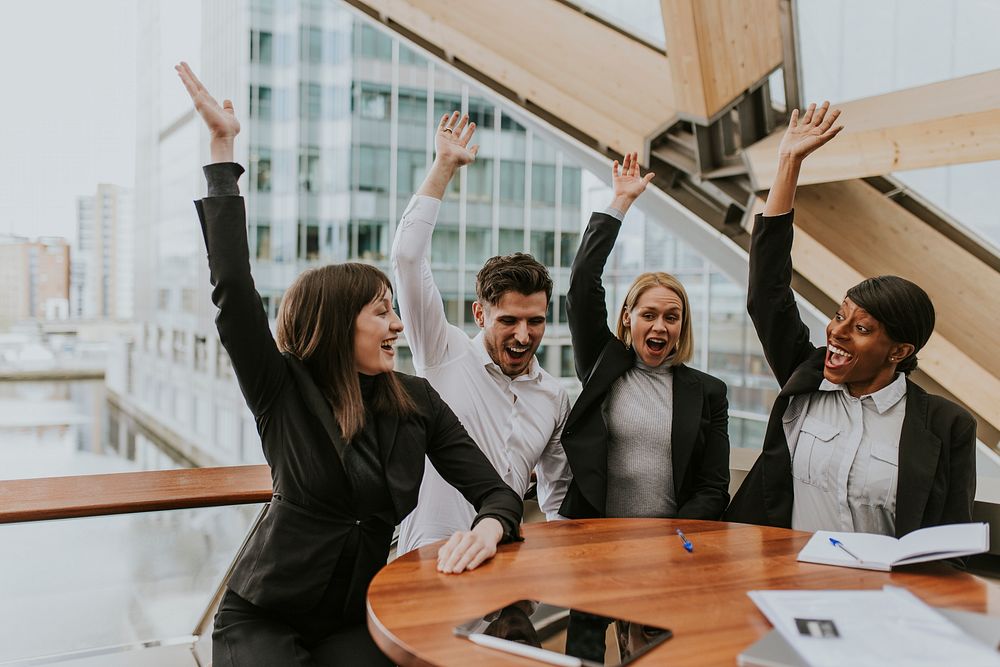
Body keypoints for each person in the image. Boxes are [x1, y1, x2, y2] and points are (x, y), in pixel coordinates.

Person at [176, 62, 523, 667]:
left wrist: (488, 528)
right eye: (381, 313)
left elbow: (495, 492)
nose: (396, 326)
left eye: (395, 313)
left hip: (356, 615)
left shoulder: (418, 401)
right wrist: (223, 149)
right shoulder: (282, 387)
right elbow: (232, 289)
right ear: (340, 323)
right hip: (265, 614)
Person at [724, 101, 977, 538]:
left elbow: (948, 540)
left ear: (900, 350)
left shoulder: (946, 426)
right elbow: (767, 294)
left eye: (861, 329)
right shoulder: (807, 378)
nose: (836, 332)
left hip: (879, 598)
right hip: (785, 586)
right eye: (839, 316)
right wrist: (788, 162)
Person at [392, 112, 571, 554]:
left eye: (536, 321)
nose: (524, 336)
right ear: (480, 314)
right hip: (427, 556)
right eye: (508, 320)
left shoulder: (554, 396)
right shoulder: (442, 351)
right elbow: (408, 259)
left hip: (508, 566)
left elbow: (557, 500)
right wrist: (445, 166)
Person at [559, 152, 731, 521]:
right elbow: (581, 287)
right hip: (596, 538)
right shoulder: (601, 364)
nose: (659, 327)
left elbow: (713, 487)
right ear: (627, 318)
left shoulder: (709, 393)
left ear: (682, 326)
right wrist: (620, 202)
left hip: (671, 548)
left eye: (672, 317)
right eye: (648, 315)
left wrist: (674, 539)